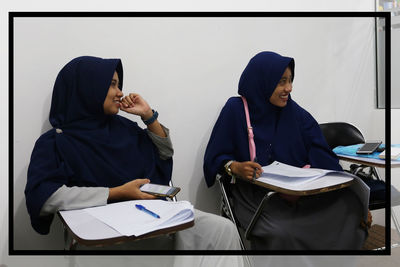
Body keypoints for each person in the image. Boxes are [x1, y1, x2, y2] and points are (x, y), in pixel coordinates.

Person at [24, 56, 243, 256]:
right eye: (111, 84)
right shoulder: (56, 141)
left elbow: (163, 156)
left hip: (151, 217)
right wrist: (115, 193)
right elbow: (45, 196)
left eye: (119, 85)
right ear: (87, 88)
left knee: (224, 230)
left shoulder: (124, 129)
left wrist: (149, 117)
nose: (120, 92)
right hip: (105, 230)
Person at [203, 51, 369, 250]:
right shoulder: (236, 109)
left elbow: (323, 154)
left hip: (298, 192)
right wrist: (234, 167)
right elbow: (216, 156)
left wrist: (356, 197)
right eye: (281, 81)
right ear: (263, 80)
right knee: (282, 232)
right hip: (254, 194)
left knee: (348, 207)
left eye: (290, 80)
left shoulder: (294, 112)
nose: (288, 88)